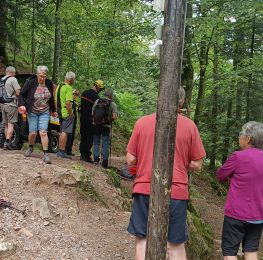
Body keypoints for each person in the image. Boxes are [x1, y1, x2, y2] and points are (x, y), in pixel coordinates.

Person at [126, 87, 206, 260]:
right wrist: (182, 163)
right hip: (176, 191)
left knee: (142, 240)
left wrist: (145, 160)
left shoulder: (142, 122)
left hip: (144, 187)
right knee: (175, 246)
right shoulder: (190, 126)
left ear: (159, 97)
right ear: (182, 102)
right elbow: (197, 164)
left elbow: (130, 159)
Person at [216, 121, 263, 260]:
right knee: (251, 250)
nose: (239, 137)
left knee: (230, 252)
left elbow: (220, 175)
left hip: (236, 214)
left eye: (241, 134)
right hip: (258, 214)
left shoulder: (238, 156)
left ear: (248, 138)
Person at [18, 65, 56, 164]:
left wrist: (54, 110)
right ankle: (30, 147)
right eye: (41, 76)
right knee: (33, 133)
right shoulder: (31, 83)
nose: (42, 78)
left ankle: (46, 154)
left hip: (45, 112)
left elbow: (51, 98)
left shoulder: (49, 83)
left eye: (44, 76)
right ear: (37, 75)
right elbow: (21, 94)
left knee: (43, 132)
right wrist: (22, 105)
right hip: (32, 111)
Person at [79, 80, 105, 162]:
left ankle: (82, 154)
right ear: (97, 87)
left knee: (83, 136)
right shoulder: (96, 98)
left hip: (82, 118)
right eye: (100, 89)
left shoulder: (84, 93)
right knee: (89, 138)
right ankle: (86, 155)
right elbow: (97, 112)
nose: (100, 91)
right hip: (90, 120)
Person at [92, 89, 118, 168]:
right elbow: (114, 117)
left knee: (96, 142)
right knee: (105, 143)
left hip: (96, 124)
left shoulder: (97, 101)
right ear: (111, 95)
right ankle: (105, 162)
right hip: (106, 126)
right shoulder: (112, 104)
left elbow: (92, 112)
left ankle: (96, 159)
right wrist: (108, 120)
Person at [0, 66, 21, 150]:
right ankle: (7, 142)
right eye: (14, 73)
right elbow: (18, 92)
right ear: (12, 72)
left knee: (6, 124)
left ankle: (7, 142)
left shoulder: (0, 81)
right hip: (11, 104)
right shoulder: (13, 79)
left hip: (2, 104)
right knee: (11, 124)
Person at [55, 72, 76, 159]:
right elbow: (68, 103)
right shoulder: (69, 88)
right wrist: (71, 113)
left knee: (61, 131)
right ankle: (62, 151)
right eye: (74, 80)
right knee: (65, 132)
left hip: (60, 112)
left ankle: (60, 150)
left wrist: (57, 111)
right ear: (71, 80)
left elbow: (56, 101)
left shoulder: (59, 86)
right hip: (66, 113)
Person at [65, 89, 80, 156]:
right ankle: (65, 149)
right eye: (74, 94)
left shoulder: (75, 102)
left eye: (76, 95)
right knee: (69, 134)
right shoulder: (69, 101)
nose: (75, 96)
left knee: (72, 135)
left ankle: (69, 150)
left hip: (74, 120)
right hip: (69, 119)